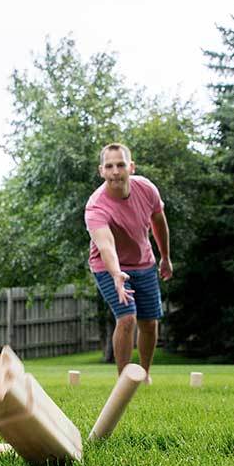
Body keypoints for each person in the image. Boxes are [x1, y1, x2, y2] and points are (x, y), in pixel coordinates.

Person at [85, 143, 173, 381]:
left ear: (131, 167)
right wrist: (116, 274)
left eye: (121, 165)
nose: (115, 171)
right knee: (127, 317)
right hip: (107, 266)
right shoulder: (96, 206)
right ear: (101, 170)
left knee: (149, 322)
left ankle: (144, 374)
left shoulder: (146, 189)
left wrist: (165, 257)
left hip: (143, 262)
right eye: (110, 166)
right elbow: (105, 246)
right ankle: (124, 379)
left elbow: (159, 223)